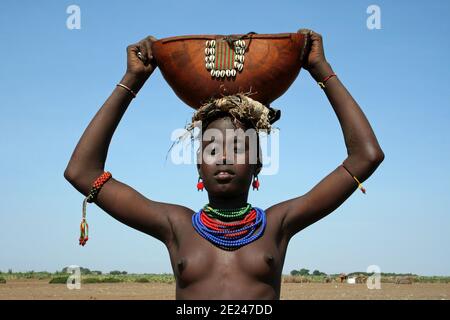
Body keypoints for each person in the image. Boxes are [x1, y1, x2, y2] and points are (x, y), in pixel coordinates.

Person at [64, 30, 384, 300]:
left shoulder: (277, 225)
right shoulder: (176, 226)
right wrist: (131, 79)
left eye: (238, 147)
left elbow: (366, 156)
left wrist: (321, 69)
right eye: (211, 149)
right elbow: (82, 172)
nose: (225, 157)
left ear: (258, 164)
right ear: (197, 165)